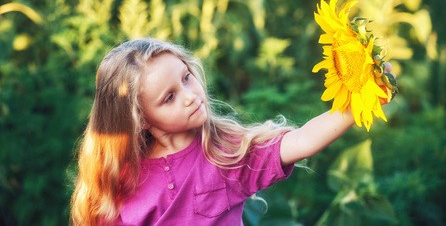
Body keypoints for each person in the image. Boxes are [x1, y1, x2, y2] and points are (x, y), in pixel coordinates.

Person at [70, 38, 394, 225]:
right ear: (139, 118)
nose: (190, 95)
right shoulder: (121, 177)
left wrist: (357, 104)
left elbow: (302, 141)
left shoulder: (225, 152)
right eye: (169, 97)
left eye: (186, 78)